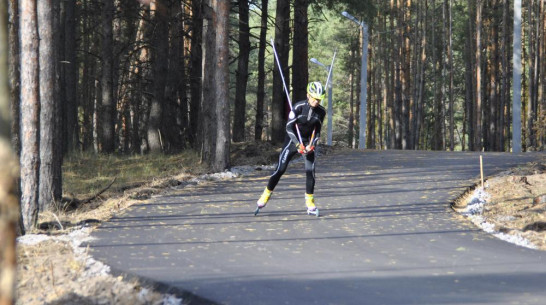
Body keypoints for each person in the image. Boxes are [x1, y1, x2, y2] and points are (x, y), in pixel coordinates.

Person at [255, 81, 327, 216]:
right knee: (280, 169)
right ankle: (265, 195)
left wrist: (312, 145)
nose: (316, 101)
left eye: (319, 99)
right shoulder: (298, 107)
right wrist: (298, 145)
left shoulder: (321, 112)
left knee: (310, 170)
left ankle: (310, 202)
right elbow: (289, 127)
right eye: (314, 98)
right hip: (293, 140)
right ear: (308, 95)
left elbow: (317, 131)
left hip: (308, 142)